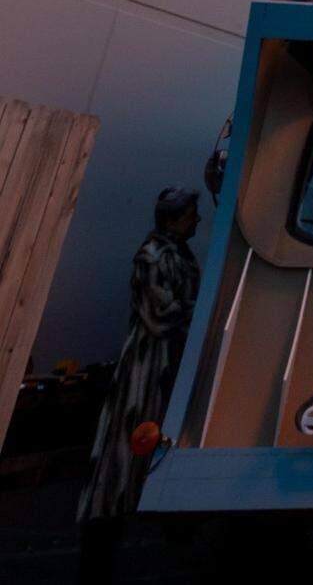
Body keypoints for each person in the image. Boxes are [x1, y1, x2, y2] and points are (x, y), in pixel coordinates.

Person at [77, 187, 201, 577]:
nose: (196, 219)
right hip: (148, 370)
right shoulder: (154, 257)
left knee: (146, 451)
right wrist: (201, 312)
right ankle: (103, 549)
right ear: (174, 217)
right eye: (191, 213)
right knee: (127, 454)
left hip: (166, 364)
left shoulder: (173, 253)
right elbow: (159, 314)